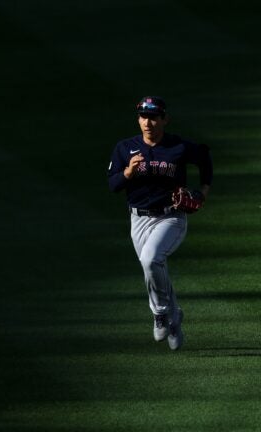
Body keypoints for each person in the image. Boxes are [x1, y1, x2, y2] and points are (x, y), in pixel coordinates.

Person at [107, 96, 212, 350]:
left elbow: (205, 158)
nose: (148, 122)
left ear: (165, 119)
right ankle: (175, 319)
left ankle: (160, 313)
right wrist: (128, 173)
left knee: (150, 259)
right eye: (143, 116)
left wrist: (203, 192)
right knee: (154, 268)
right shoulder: (125, 148)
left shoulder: (177, 146)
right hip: (138, 220)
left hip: (170, 217)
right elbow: (113, 184)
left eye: (153, 117)